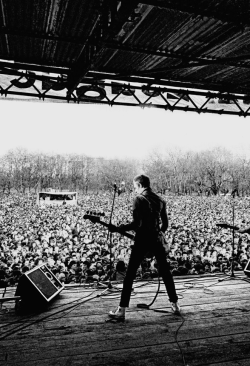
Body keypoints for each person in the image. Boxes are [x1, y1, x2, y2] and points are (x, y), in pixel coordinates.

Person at [108, 174, 180, 321]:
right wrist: (158, 234)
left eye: (135, 187)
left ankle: (121, 310)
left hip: (141, 240)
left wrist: (121, 228)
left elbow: (137, 224)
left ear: (140, 185)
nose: (135, 190)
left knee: (130, 275)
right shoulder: (160, 200)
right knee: (165, 272)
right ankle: (175, 305)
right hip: (156, 240)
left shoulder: (139, 199)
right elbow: (165, 225)